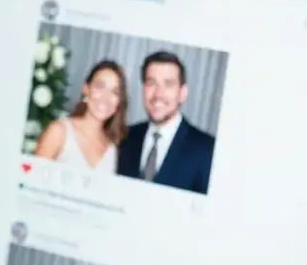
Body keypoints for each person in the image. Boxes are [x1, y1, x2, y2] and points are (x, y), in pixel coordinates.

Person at [116, 51, 215, 194]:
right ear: (143, 89)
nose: (158, 94)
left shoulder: (207, 150)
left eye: (168, 84)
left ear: (182, 93)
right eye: (151, 83)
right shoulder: (125, 137)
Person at [34, 60, 128, 172]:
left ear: (119, 101)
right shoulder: (59, 131)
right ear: (86, 89)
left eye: (114, 92)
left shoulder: (113, 150)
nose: (105, 97)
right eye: (100, 86)